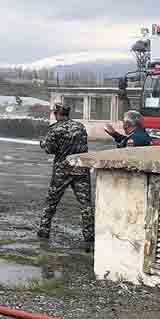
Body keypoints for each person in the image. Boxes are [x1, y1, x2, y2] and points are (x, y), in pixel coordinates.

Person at [37, 101, 94, 252]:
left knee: (51, 202)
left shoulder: (55, 129)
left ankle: (44, 230)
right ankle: (89, 235)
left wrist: (42, 144)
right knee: (85, 205)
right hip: (81, 168)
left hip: (63, 170)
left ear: (57, 113)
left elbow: (50, 149)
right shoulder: (80, 126)